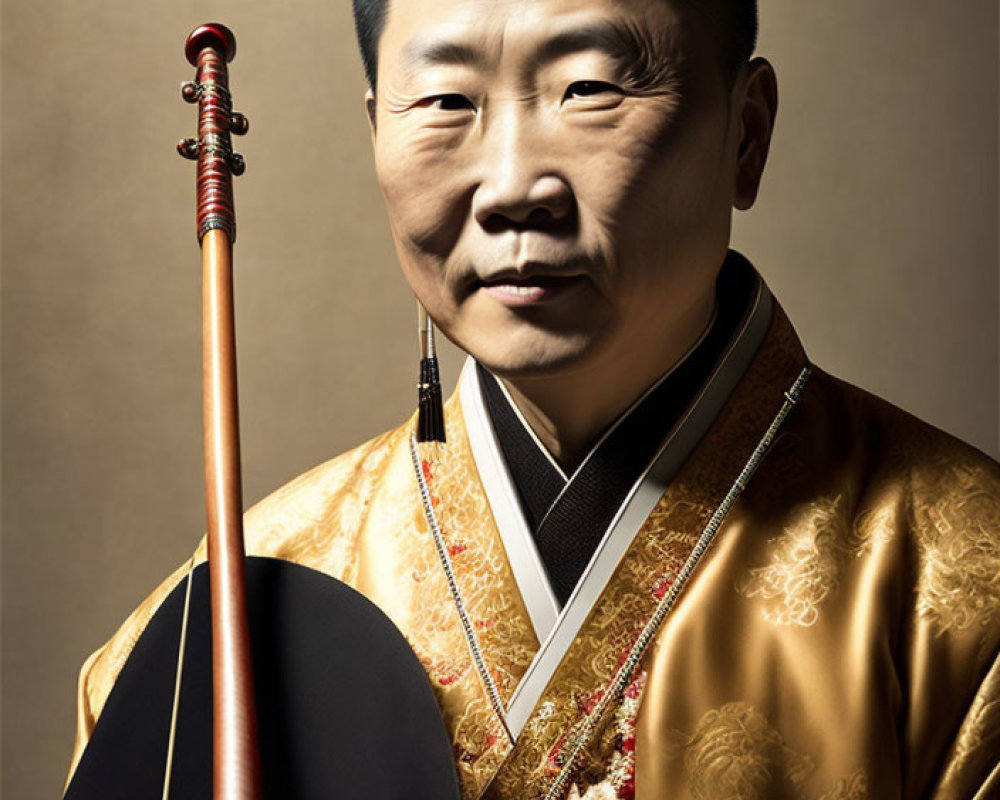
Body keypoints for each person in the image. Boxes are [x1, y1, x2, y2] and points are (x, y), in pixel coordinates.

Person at [67, 0, 999, 797]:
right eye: (443, 101)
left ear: (745, 132)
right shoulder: (222, 634)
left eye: (590, 88)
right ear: (375, 132)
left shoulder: (965, 593)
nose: (514, 186)